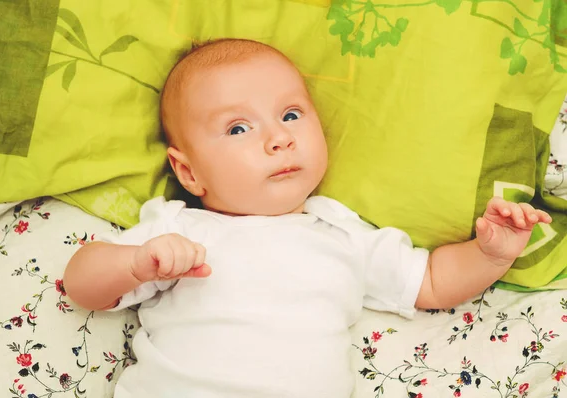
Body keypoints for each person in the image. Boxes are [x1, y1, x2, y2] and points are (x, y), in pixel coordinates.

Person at [63, 39, 552, 398]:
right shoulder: (178, 231)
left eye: (291, 115)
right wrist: (136, 263)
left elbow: (431, 282)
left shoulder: (340, 230)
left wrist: (491, 253)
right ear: (188, 172)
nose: (279, 138)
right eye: (238, 127)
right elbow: (81, 283)